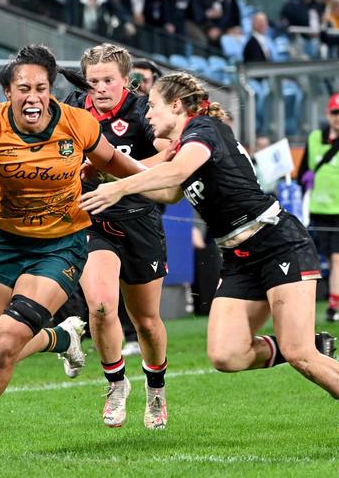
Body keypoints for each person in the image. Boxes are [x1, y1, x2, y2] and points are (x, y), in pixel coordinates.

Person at [0, 44, 152, 458]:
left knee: (4, 346)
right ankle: (62, 337)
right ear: (8, 93)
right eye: (23, 88)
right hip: (10, 243)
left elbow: (112, 161)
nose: (33, 96)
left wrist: (159, 179)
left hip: (63, 245)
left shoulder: (77, 123)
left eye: (41, 87)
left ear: (51, 90)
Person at [80, 71, 339, 406]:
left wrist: (116, 188)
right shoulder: (185, 145)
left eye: (153, 106)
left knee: (299, 354)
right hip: (238, 258)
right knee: (226, 355)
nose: (146, 114)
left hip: (276, 243)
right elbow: (171, 190)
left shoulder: (205, 130)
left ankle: (305, 348)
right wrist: (109, 170)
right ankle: (310, 345)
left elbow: (175, 173)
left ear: (176, 106)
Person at [58, 43, 171, 430]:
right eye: (94, 81)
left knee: (147, 321)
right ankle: (116, 384)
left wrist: (116, 171)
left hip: (139, 220)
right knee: (102, 306)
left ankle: (155, 388)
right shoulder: (71, 108)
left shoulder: (142, 111)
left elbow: (171, 155)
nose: (101, 88)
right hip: (94, 219)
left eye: (109, 80)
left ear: (126, 80)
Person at [299, 93, 339, 322]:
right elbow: (303, 168)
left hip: (338, 210)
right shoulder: (315, 137)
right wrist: (305, 179)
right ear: (328, 113)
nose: (338, 118)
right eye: (335, 112)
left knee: (336, 259)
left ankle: (333, 305)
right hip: (315, 209)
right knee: (316, 258)